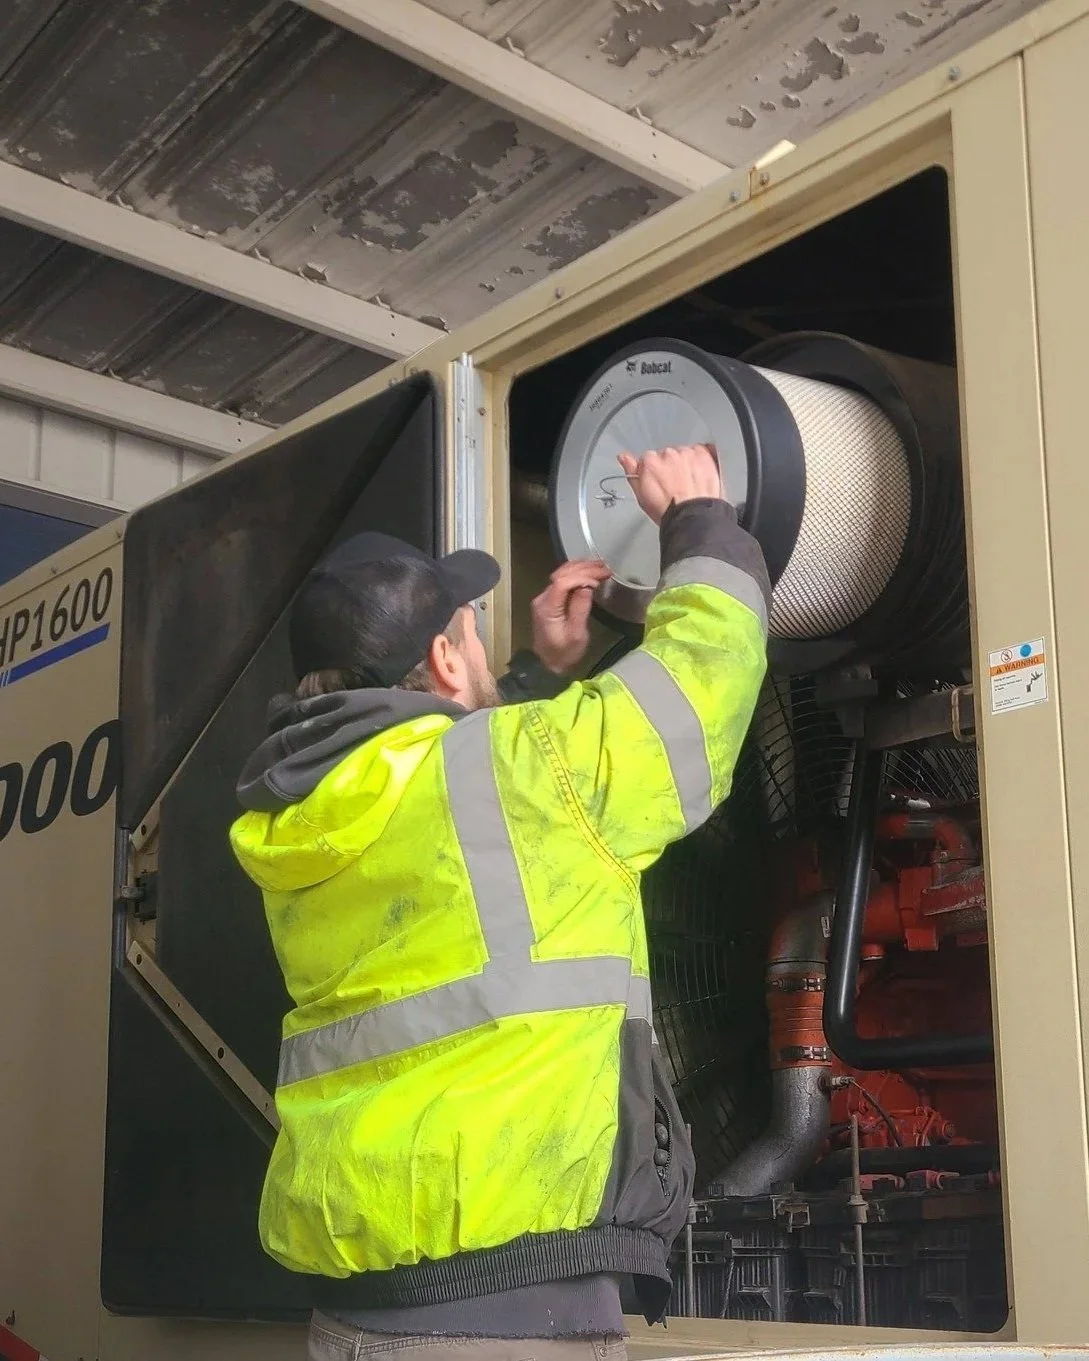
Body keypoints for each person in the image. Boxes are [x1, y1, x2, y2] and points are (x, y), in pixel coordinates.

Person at [229, 443, 770, 1361]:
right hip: (507, 1320)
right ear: (444, 658)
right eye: (471, 632)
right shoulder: (522, 776)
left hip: (361, 1312)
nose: (482, 647)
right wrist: (701, 520)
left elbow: (468, 820)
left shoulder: (305, 815)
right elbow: (698, 691)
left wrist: (533, 676)